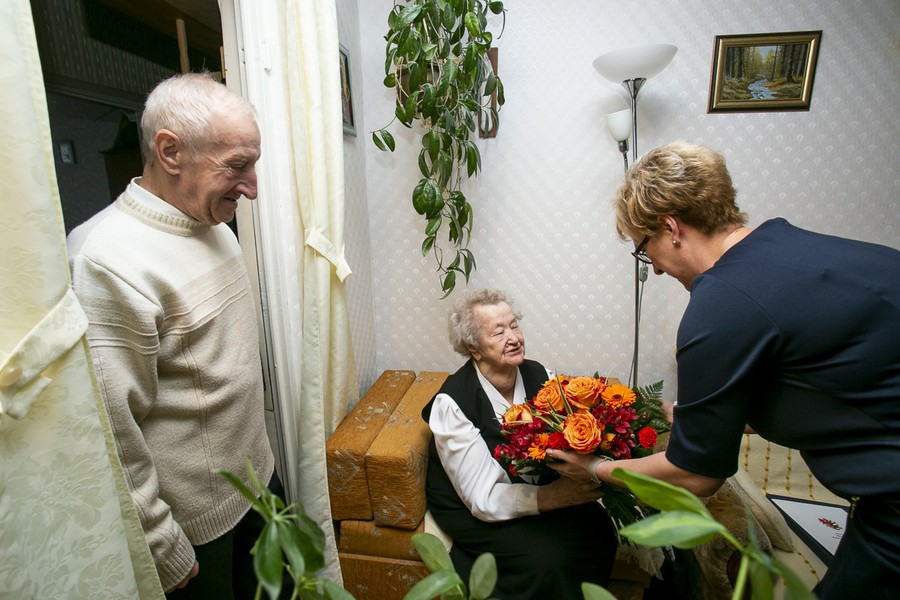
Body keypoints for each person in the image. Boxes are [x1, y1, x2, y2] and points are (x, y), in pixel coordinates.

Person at [548, 142, 900, 599]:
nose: (652, 268)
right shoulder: (802, 248)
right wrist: (704, 417)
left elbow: (697, 475)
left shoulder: (720, 306)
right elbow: (831, 378)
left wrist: (596, 468)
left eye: (643, 248)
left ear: (671, 228)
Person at [68, 73, 279, 598]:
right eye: (237, 166)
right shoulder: (103, 260)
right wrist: (160, 540)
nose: (252, 187)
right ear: (169, 152)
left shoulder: (213, 227)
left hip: (257, 487)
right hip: (197, 528)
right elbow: (111, 428)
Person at [421, 289, 618, 599]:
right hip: (473, 505)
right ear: (474, 348)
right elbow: (482, 497)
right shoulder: (453, 402)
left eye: (514, 325)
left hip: (535, 486)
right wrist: (554, 497)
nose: (512, 337)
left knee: (600, 529)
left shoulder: (539, 375)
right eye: (498, 332)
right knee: (545, 560)